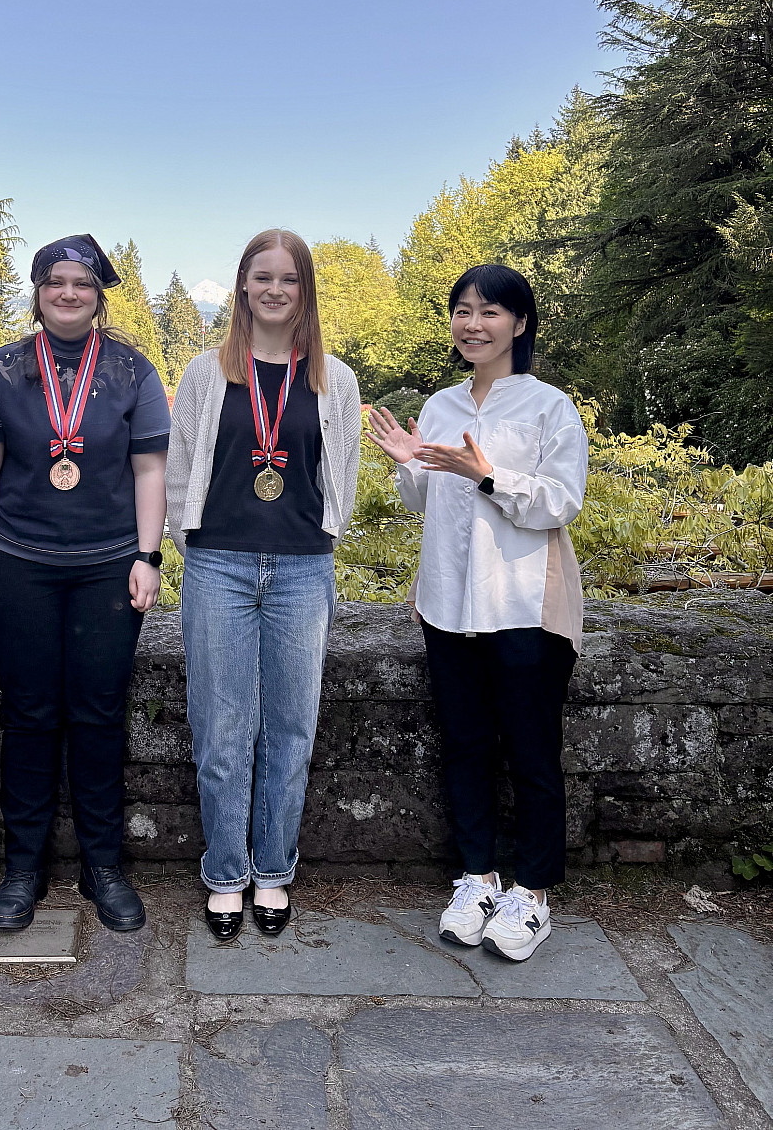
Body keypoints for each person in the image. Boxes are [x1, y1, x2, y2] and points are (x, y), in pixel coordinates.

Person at [368, 263, 588, 962]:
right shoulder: (441, 406)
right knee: (463, 744)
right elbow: (422, 502)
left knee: (530, 752)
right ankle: (478, 878)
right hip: (447, 602)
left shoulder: (550, 407)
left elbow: (560, 501)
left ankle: (534, 894)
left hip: (524, 602)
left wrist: (486, 474)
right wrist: (409, 461)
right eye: (462, 310)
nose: (473, 323)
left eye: (490, 311)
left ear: (519, 323)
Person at [0, 234, 169, 934]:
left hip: (110, 567)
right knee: (29, 714)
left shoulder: (134, 372)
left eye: (82, 283)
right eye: (56, 282)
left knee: (100, 713)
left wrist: (148, 556)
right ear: (39, 292)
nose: (69, 293)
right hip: (21, 564)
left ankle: (102, 864)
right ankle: (23, 865)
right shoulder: (2, 369)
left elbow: (149, 473)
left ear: (99, 295)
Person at [167, 229, 362, 942]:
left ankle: (274, 867)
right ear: (243, 286)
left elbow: (341, 467)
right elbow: (180, 464)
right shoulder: (204, 372)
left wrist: (324, 540)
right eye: (262, 276)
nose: (275, 289)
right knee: (221, 728)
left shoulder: (332, 378)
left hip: (303, 569)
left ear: (304, 290)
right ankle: (226, 872)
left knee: (290, 727)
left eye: (289, 278)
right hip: (219, 565)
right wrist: (193, 545)